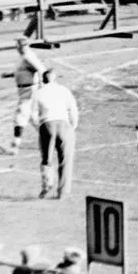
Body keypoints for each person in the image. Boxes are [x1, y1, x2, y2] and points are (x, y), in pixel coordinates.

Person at [35, 68, 79, 199]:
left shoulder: (39, 92)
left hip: (47, 123)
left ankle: (47, 185)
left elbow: (31, 113)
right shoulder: (64, 90)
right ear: (54, 78)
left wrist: (39, 126)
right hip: (64, 124)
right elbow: (73, 109)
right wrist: (73, 125)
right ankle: (63, 191)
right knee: (65, 159)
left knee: (46, 159)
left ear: (43, 80)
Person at [11, 35, 46, 155]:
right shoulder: (23, 57)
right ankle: (48, 139)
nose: (16, 46)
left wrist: (41, 88)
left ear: (23, 45)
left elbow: (42, 70)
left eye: (17, 44)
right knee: (33, 118)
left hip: (29, 91)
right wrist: (9, 75)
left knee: (20, 116)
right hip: (24, 90)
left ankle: (15, 146)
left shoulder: (28, 56)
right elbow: (22, 71)